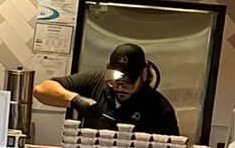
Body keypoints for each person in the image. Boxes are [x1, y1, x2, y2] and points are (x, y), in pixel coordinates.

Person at [35, 43, 180, 135]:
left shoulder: (159, 108)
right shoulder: (96, 80)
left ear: (143, 74)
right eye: (114, 80)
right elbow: (41, 90)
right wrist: (75, 100)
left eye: (128, 82)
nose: (120, 87)